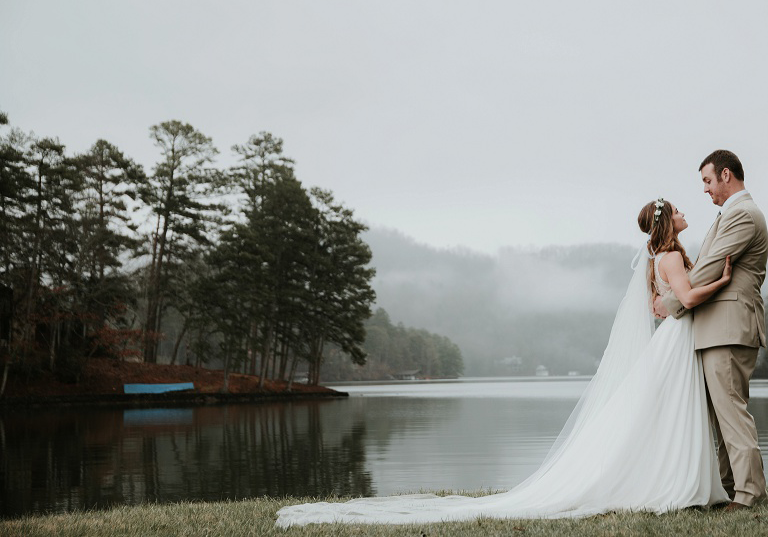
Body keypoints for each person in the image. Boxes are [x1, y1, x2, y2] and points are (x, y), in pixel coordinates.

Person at [275, 198, 733, 527]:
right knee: (674, 411)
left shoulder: (658, 257)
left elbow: (659, 302)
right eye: (677, 209)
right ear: (666, 220)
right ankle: (679, 483)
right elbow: (686, 296)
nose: (683, 212)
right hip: (676, 340)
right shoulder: (670, 254)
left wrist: (676, 298)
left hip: (673, 337)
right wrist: (722, 280)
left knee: (672, 412)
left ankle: (682, 480)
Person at [653, 149, 768, 510]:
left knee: (731, 412)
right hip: (715, 327)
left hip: (729, 327)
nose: (705, 190)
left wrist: (673, 300)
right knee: (720, 417)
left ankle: (748, 495)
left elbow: (712, 267)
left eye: (707, 181)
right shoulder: (729, 215)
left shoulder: (744, 216)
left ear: (725, 175)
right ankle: (726, 488)